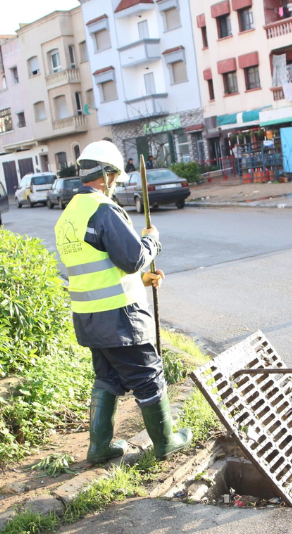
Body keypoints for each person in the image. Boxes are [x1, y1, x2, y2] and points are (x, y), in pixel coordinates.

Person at [54, 141, 192, 464]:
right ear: (106, 175)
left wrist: (141, 280)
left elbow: (99, 267)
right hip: (120, 318)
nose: (116, 182)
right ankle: (166, 442)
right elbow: (132, 257)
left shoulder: (68, 216)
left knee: (108, 378)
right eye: (115, 176)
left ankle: (99, 447)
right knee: (148, 376)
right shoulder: (103, 209)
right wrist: (152, 240)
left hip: (89, 318)